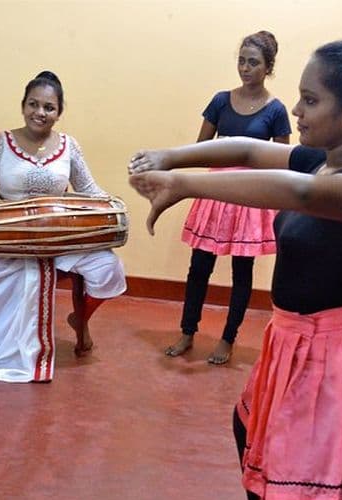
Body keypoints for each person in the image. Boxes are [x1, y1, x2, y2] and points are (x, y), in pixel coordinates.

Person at [128, 40, 342, 500]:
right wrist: (170, 157)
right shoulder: (320, 160)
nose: (297, 110)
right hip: (290, 343)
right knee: (248, 433)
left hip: (330, 358)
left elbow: (297, 193)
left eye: (311, 100)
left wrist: (186, 185)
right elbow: (245, 149)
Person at [0, 71, 126, 382]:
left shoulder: (69, 146)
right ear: (23, 106)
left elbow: (89, 189)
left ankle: (80, 318)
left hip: (60, 238)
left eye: (49, 107)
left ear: (59, 112)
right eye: (33, 104)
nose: (40, 113)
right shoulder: (1, 142)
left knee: (108, 268)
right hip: (10, 237)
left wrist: (113, 208)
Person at [138, 31, 291, 365]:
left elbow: (283, 161)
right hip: (213, 193)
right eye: (242, 61)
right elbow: (200, 149)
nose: (245, 68)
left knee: (242, 272)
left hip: (249, 197)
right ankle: (187, 332)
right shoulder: (221, 101)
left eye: (254, 62)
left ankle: (227, 338)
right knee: (199, 267)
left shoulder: (277, 110)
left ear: (268, 68)